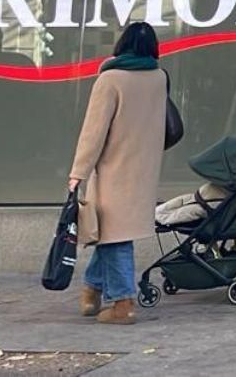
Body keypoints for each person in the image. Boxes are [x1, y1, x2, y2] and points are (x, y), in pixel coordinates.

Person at [69, 22, 168, 325]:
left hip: (113, 167)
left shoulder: (109, 78)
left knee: (115, 237)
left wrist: (78, 172)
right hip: (144, 168)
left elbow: (93, 132)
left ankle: (123, 303)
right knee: (112, 231)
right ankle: (92, 290)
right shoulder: (159, 76)